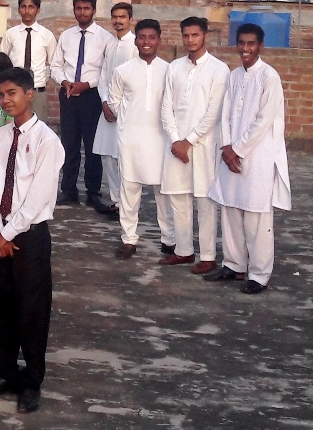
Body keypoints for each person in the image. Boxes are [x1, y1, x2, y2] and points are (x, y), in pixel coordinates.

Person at [0, 67, 64, 414]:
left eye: (12, 93)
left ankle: (32, 381)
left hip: (30, 237)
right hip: (1, 234)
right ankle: (6, 372)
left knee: (32, 311)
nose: (6, 100)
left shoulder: (46, 141)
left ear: (29, 94)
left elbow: (39, 196)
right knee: (3, 307)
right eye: (1, 94)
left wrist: (8, 233)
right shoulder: (0, 136)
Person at [206, 24, 291, 294]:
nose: (245, 48)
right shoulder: (234, 76)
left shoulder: (269, 77)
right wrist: (227, 147)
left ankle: (259, 274)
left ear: (260, 46)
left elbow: (263, 122)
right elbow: (226, 115)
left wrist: (238, 150)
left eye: (251, 43)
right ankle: (233, 264)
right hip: (232, 154)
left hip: (258, 156)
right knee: (230, 209)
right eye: (241, 43)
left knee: (256, 216)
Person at [159, 17, 229, 275]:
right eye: (186, 35)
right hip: (176, 144)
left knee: (205, 201)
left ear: (205, 36)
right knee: (178, 197)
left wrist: (188, 141)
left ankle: (208, 256)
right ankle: (183, 250)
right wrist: (175, 139)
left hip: (203, 145)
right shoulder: (175, 67)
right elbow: (166, 106)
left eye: (195, 35)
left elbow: (214, 112)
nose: (190, 40)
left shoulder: (218, 69)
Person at [108, 20, 175, 260]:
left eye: (151, 37)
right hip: (131, 140)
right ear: (135, 40)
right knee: (129, 190)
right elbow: (114, 102)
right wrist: (128, 123)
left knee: (164, 191)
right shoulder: (123, 71)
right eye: (142, 37)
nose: (146, 42)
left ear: (159, 40)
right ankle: (128, 239)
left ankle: (169, 239)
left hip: (161, 139)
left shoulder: (170, 70)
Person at [50, 0, 118, 213]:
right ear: (74, 10)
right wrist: (64, 82)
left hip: (92, 95)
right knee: (69, 143)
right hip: (69, 94)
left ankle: (93, 191)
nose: (82, 12)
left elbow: (107, 71)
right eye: (78, 8)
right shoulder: (66, 36)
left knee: (92, 145)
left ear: (94, 10)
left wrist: (86, 84)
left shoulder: (105, 38)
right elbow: (56, 65)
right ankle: (68, 189)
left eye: (86, 8)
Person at [92, 3, 137, 217]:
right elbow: (103, 77)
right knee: (108, 156)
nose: (118, 21)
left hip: (127, 112)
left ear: (130, 19)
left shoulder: (135, 46)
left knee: (123, 158)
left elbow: (134, 82)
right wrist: (104, 103)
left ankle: (128, 203)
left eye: (122, 17)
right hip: (107, 108)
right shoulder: (110, 45)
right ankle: (116, 201)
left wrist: (118, 108)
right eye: (115, 17)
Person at [0, 0, 56, 120]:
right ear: (19, 9)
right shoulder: (10, 34)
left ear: (38, 10)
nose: (27, 11)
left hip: (37, 91)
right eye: (23, 7)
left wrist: (42, 79)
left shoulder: (47, 35)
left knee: (38, 126)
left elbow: (53, 63)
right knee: (13, 125)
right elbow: (2, 61)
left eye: (31, 7)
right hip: (14, 90)